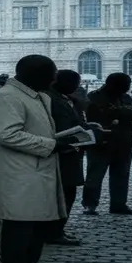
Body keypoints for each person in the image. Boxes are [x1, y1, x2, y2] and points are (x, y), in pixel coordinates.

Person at [0, 54, 68, 263]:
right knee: (19, 229)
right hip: (17, 173)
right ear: (34, 75)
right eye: (50, 75)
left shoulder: (36, 95)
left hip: (33, 171)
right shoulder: (8, 97)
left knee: (36, 228)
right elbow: (6, 134)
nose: (53, 80)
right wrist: (50, 145)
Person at [82, 72, 132, 215]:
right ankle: (90, 205)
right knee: (95, 175)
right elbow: (97, 115)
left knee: (121, 175)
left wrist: (118, 112)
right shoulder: (94, 97)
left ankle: (119, 204)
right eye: (126, 85)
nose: (128, 88)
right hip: (101, 142)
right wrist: (122, 112)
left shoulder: (125, 97)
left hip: (124, 142)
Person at [48, 69, 87, 245]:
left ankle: (58, 230)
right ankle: (54, 232)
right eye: (75, 83)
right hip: (63, 153)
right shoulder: (54, 100)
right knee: (64, 194)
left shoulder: (66, 99)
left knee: (67, 193)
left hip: (70, 152)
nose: (76, 87)